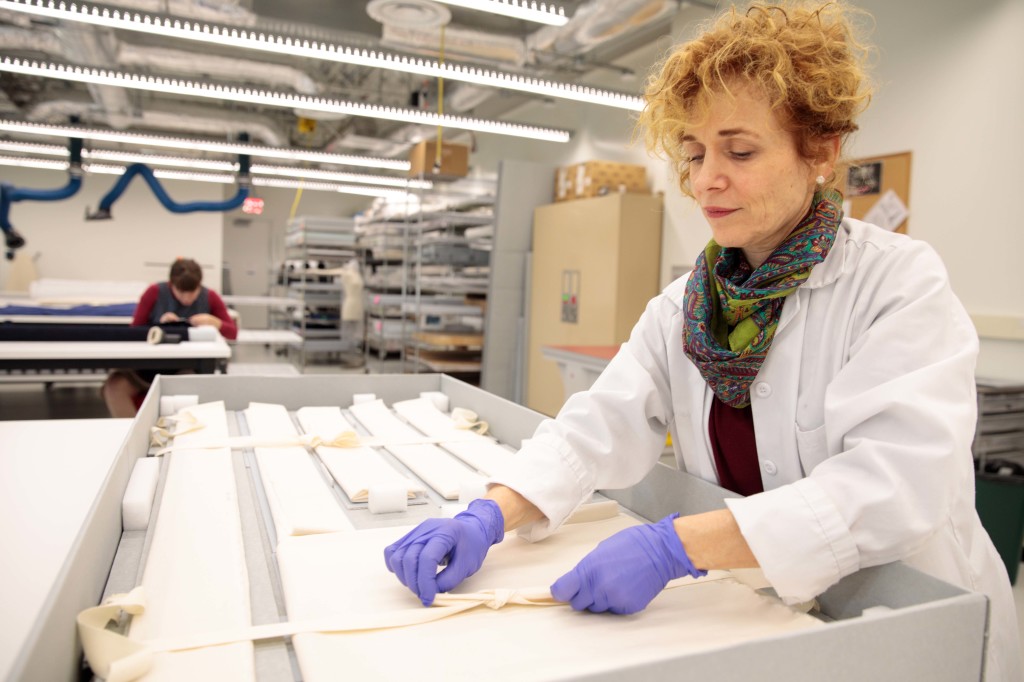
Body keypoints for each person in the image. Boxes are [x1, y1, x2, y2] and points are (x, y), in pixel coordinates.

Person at [382, 2, 1021, 679]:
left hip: (905, 625)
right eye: (693, 153)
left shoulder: (896, 284)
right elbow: (595, 428)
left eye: (740, 151)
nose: (705, 179)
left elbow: (895, 487)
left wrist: (675, 547)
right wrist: (488, 514)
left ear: (823, 150)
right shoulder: (687, 305)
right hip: (753, 614)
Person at [101, 258, 237, 417]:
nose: (187, 299)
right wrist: (159, 326)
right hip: (144, 368)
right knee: (114, 387)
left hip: (184, 368)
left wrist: (217, 323)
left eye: (192, 293)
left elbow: (232, 333)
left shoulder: (210, 297)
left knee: (192, 386)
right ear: (171, 284)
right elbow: (135, 331)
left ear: (199, 285)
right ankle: (131, 434)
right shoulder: (154, 292)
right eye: (181, 292)